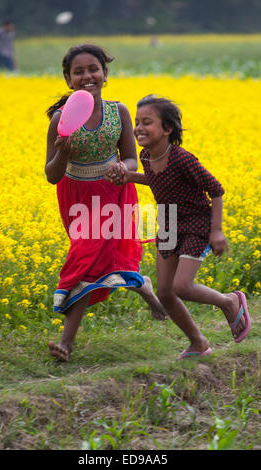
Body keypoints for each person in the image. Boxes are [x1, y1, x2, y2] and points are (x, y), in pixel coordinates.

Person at [106, 95, 251, 359]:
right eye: (136, 122)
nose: (138, 127)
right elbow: (156, 180)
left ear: (167, 129)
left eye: (146, 122)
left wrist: (216, 231)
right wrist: (130, 177)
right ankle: (198, 343)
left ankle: (229, 301)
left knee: (182, 287)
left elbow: (216, 190)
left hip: (196, 224)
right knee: (164, 292)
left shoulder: (183, 159)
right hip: (169, 224)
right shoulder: (146, 156)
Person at [45, 46, 167, 362]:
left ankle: (66, 343)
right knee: (98, 257)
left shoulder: (120, 112)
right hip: (77, 199)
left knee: (86, 259)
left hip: (115, 194)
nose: (87, 76)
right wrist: (64, 152)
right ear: (68, 80)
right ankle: (145, 286)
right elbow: (52, 175)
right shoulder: (60, 119)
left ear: (105, 74)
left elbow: (130, 157)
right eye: (79, 71)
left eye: (93, 69)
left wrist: (122, 169)